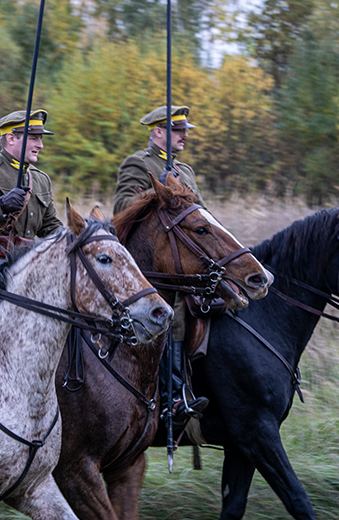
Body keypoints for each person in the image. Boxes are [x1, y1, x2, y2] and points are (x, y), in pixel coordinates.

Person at [113, 105, 207, 423]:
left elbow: (200, 213)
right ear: (157, 132)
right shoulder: (138, 164)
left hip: (184, 258)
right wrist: (159, 192)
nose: (185, 135)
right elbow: (122, 206)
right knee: (171, 314)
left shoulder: (187, 171)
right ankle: (170, 394)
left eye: (185, 129)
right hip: (150, 259)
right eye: (178, 130)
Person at [0, 109, 63, 266]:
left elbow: (49, 226)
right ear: (11, 138)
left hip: (25, 271)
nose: (40, 145)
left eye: (40, 139)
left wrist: (81, 235)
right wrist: (0, 206)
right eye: (34, 138)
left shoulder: (41, 179)